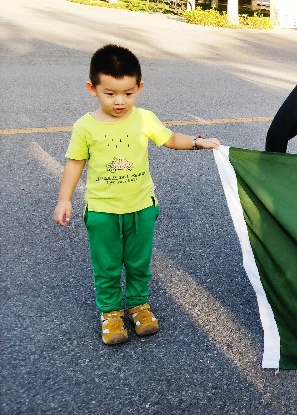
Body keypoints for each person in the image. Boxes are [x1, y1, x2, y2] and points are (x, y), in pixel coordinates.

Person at [53, 44, 221, 345]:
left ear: (139, 87)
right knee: (107, 266)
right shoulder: (85, 127)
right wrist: (64, 198)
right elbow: (75, 162)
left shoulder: (144, 119)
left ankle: (138, 305)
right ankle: (110, 313)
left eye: (128, 93)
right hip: (103, 212)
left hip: (142, 208)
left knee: (138, 263)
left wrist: (198, 141)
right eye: (110, 93)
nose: (120, 101)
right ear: (92, 89)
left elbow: (170, 138)